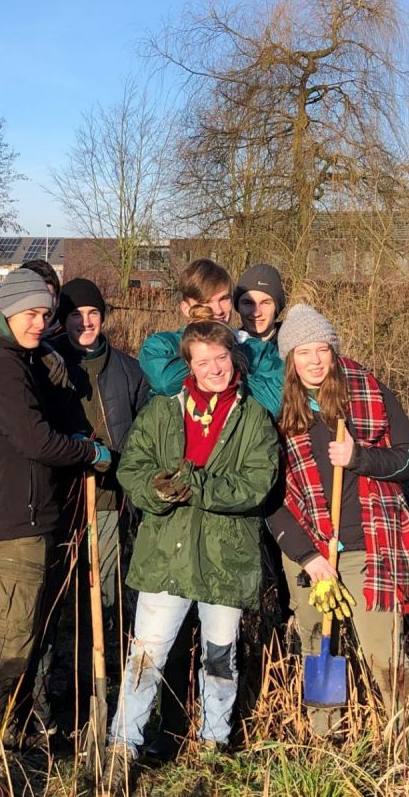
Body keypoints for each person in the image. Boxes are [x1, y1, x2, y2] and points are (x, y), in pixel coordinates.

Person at [104, 312, 278, 787]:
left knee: (220, 657)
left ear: (233, 359)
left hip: (226, 557)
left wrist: (194, 485)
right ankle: (122, 747)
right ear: (189, 365)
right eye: (203, 361)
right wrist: (154, 491)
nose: (214, 369)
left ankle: (213, 745)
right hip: (167, 554)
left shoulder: (255, 417)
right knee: (145, 656)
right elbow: (131, 467)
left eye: (221, 358)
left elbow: (256, 485)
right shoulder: (163, 410)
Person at [0, 268, 112, 765]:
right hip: (11, 521)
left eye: (46, 315)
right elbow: (35, 439)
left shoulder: (20, 358)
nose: (40, 323)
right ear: (7, 311)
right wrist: (88, 452)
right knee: (10, 640)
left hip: (28, 517)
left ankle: (5, 730)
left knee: (20, 636)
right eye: (32, 314)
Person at [265, 304, 409, 736]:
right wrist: (306, 556)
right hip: (309, 554)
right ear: (290, 359)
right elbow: (270, 498)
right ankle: (325, 740)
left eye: (323, 350)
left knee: (383, 654)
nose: (315, 360)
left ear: (334, 352)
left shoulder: (368, 393)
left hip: (368, 548)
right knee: (318, 648)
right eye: (303, 352)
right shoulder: (276, 410)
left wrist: (360, 457)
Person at [28, 278, 150, 735]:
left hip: (107, 505)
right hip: (56, 505)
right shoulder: (44, 362)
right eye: (75, 314)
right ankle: (36, 701)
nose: (85, 321)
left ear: (103, 317)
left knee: (99, 601)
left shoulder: (127, 370)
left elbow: (141, 434)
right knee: (49, 601)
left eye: (93, 313)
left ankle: (88, 696)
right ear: (62, 318)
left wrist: (123, 468)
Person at [139, 258, 282, 416]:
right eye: (206, 302)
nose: (218, 310)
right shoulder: (162, 346)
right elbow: (166, 383)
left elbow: (273, 404)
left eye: (224, 299)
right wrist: (232, 364)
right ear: (186, 309)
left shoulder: (258, 350)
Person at [233, 264, 286, 345]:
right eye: (248, 303)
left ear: (277, 307)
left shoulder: (295, 349)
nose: (256, 313)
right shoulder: (226, 347)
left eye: (265, 303)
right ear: (238, 307)